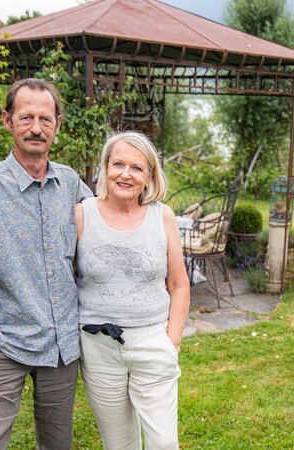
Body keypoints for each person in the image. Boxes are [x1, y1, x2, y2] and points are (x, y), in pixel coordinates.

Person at [0, 78, 91, 449]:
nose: (35, 128)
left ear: (58, 126)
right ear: (7, 121)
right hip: (2, 339)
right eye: (25, 117)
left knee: (57, 443)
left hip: (61, 344)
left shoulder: (72, 184)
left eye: (45, 119)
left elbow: (105, 232)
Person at [76, 131, 190, 449]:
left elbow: (179, 283)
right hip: (98, 347)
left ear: (149, 176)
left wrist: (172, 340)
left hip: (152, 340)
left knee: (164, 443)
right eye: (118, 164)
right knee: (119, 444)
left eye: (137, 168)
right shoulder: (82, 214)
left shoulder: (162, 216)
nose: (125, 174)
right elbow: (58, 275)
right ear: (106, 167)